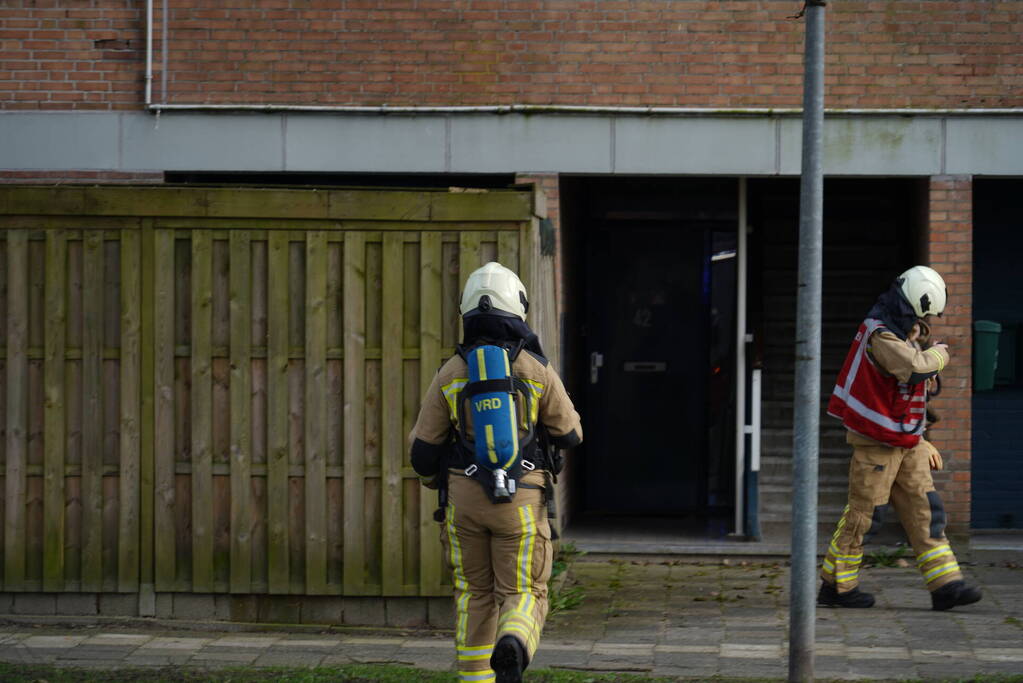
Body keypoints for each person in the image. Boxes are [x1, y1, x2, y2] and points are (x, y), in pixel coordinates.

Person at [409, 262, 583, 683]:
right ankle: (514, 643)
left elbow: (422, 452)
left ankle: (475, 679)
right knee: (524, 590)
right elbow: (571, 433)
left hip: (465, 502)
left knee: (475, 595)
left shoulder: (451, 372)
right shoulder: (536, 370)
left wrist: (442, 481)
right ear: (517, 308)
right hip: (520, 502)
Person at [820, 265, 982, 611]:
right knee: (863, 517)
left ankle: (946, 586)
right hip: (877, 442)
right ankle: (837, 587)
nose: (925, 320)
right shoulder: (881, 335)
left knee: (927, 512)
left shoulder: (904, 328)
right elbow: (916, 368)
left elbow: (912, 393)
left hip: (906, 441)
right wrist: (941, 352)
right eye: (924, 313)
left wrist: (924, 437)